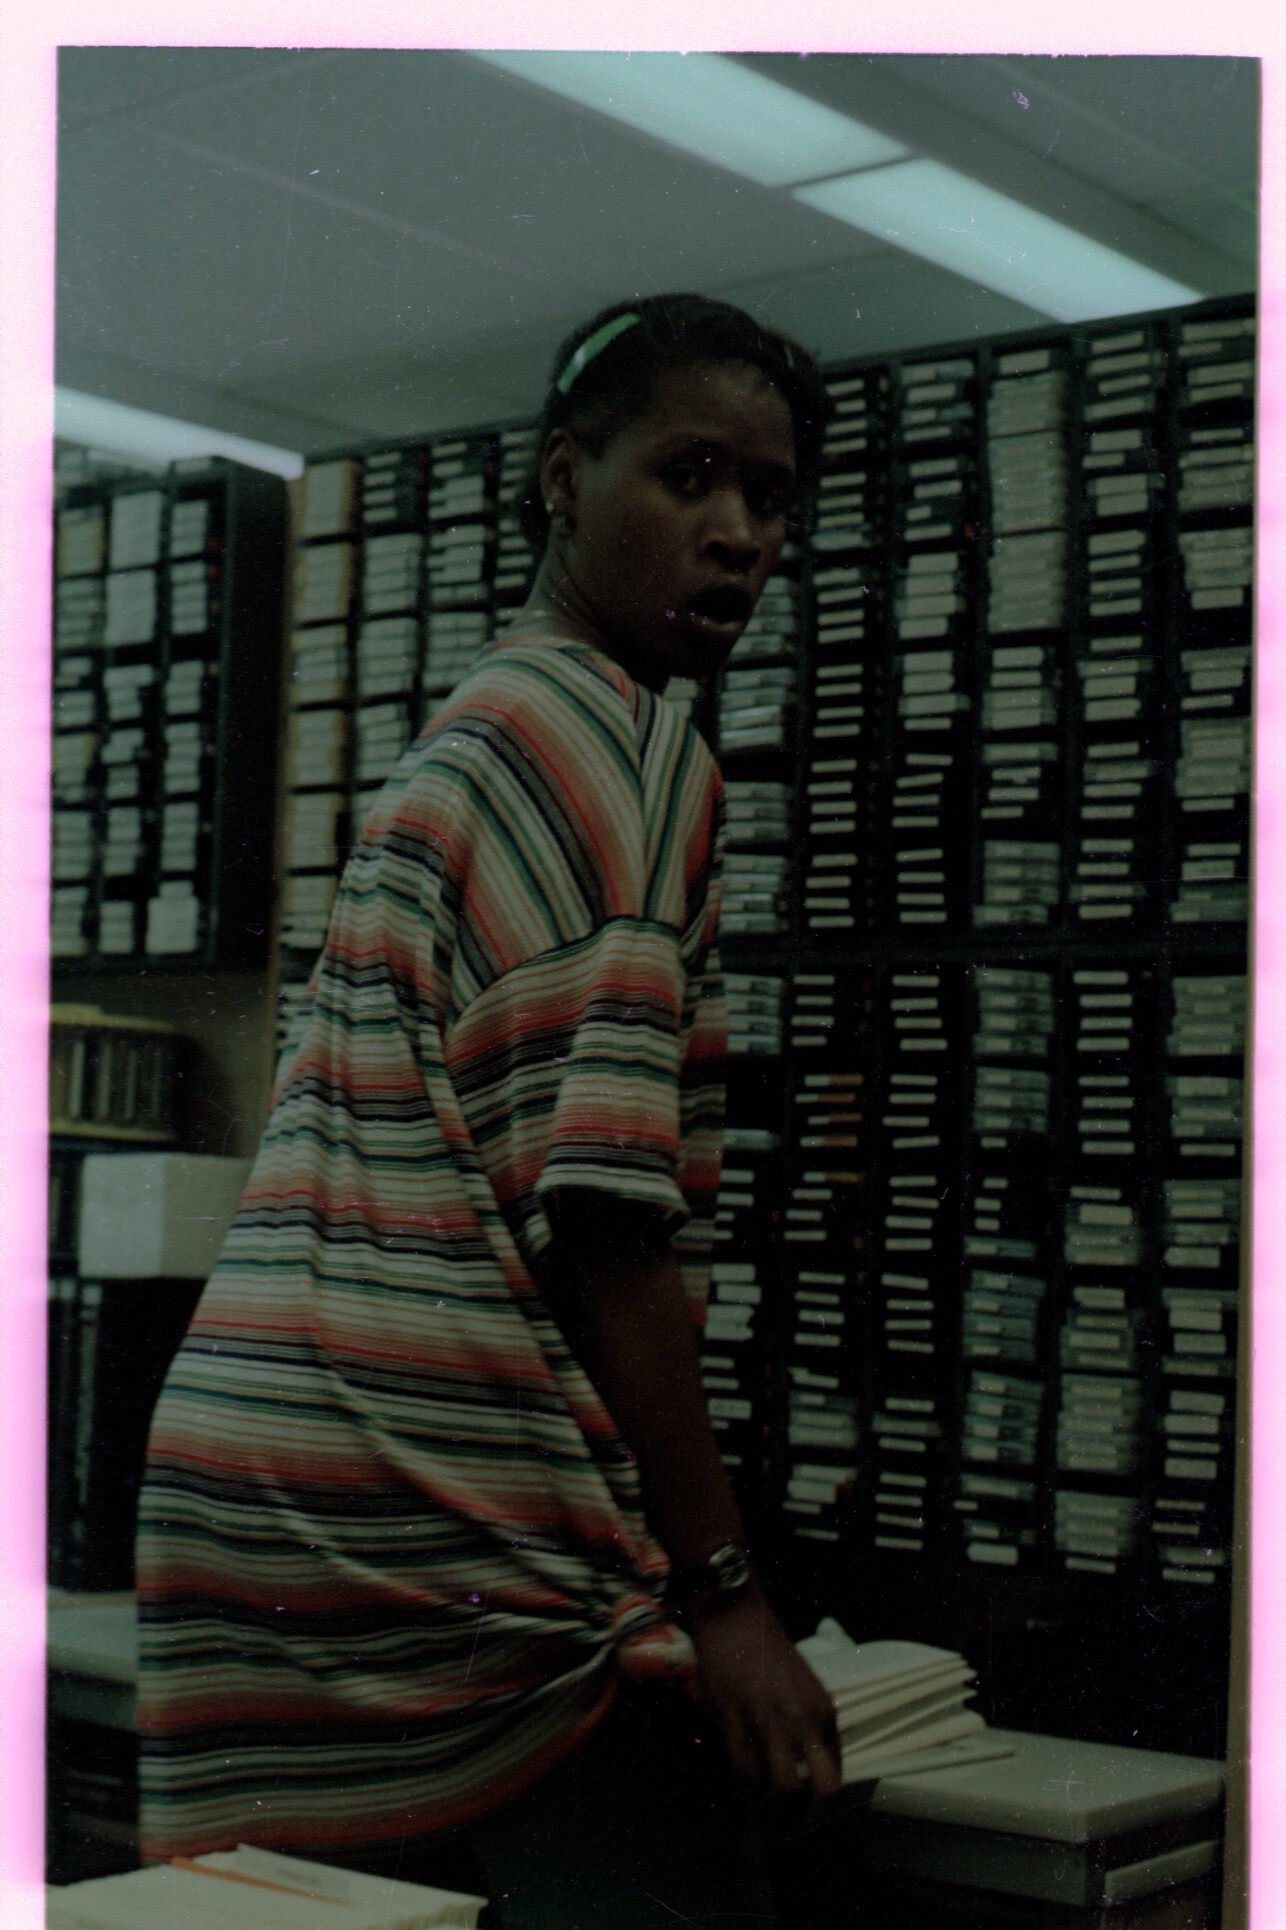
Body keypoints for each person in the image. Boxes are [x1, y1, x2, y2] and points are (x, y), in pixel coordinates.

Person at [135, 293, 840, 1927]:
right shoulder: (633, 746)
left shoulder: (458, 740)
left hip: (248, 1482)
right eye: (688, 475)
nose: (739, 534)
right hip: (428, 1503)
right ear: (563, 478)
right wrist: (724, 1593)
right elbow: (604, 1215)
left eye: (770, 496)